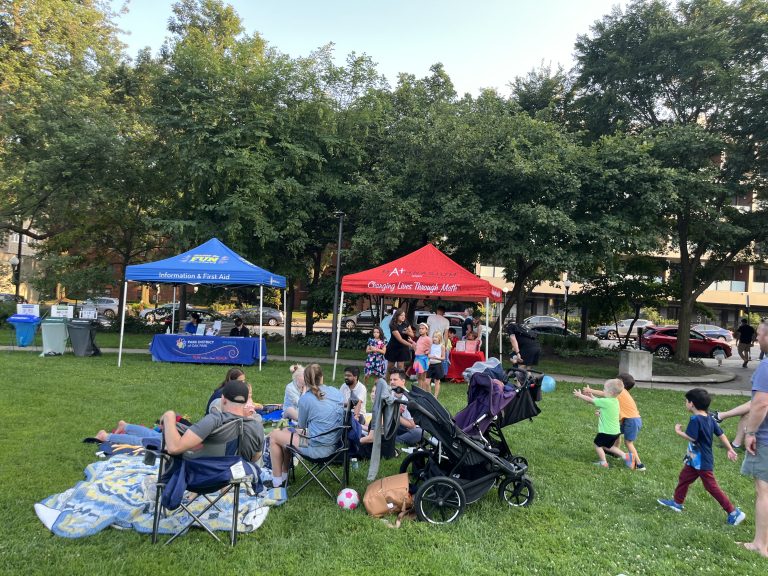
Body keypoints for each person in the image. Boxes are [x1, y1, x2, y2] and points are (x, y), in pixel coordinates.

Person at [657, 388, 745, 526]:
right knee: (684, 478)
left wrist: (678, 432)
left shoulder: (695, 419)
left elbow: (692, 437)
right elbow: (720, 434)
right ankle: (677, 503)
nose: (685, 404)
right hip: (695, 460)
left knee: (711, 487)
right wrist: (730, 449)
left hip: (701, 461)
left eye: (686, 401)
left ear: (691, 404)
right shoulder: (709, 417)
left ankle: (733, 512)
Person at [267, 364, 344, 488]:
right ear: (322, 377)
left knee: (275, 436)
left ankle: (277, 483)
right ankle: (284, 476)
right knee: (285, 432)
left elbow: (302, 426)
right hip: (337, 444)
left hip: (315, 448)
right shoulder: (336, 392)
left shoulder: (306, 399)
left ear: (306, 380)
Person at [160, 379, 265, 462]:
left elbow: (174, 448)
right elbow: (256, 457)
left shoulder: (214, 420)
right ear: (246, 401)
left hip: (202, 477)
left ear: (223, 400)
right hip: (234, 478)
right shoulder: (256, 426)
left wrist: (169, 416)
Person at [739, 320, 768, 557]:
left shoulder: (767, 366)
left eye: (759, 334)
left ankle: (761, 544)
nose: (757, 338)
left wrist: (750, 432)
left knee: (764, 490)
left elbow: (761, 403)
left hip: (766, 438)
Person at [583, 373, 645, 471]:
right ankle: (616, 452)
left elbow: (604, 394)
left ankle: (639, 464)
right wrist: (602, 412)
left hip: (631, 421)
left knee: (628, 442)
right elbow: (615, 408)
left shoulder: (621, 391)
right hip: (629, 419)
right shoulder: (618, 395)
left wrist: (590, 391)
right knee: (616, 433)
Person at [573, 378, 635, 468]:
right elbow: (599, 402)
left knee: (597, 444)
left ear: (610, 393)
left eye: (604, 389)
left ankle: (603, 462)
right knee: (607, 447)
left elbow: (591, 401)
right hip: (615, 432)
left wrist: (580, 395)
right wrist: (591, 395)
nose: (603, 390)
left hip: (607, 431)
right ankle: (626, 456)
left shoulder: (606, 402)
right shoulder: (615, 401)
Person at [389, 368, 423, 446]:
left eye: (395, 379)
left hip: (412, 428)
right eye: (390, 380)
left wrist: (395, 412)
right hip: (397, 426)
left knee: (418, 433)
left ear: (403, 381)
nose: (392, 382)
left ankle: (393, 441)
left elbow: (412, 425)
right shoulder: (390, 394)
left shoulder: (409, 399)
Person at [384, 308, 415, 377]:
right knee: (390, 367)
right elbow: (400, 339)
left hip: (403, 348)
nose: (403, 317)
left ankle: (399, 384)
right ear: (397, 316)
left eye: (404, 315)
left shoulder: (406, 323)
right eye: (401, 315)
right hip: (393, 347)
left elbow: (412, 335)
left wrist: (407, 332)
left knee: (400, 366)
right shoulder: (393, 325)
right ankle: (387, 383)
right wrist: (411, 345)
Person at [413, 322, 432, 392]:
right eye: (420, 328)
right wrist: (413, 343)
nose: (420, 330)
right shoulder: (420, 337)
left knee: (423, 377)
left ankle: (423, 392)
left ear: (426, 330)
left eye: (422, 328)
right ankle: (420, 390)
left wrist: (428, 352)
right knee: (418, 377)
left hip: (423, 359)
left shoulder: (428, 339)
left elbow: (431, 348)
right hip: (417, 358)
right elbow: (417, 348)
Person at [427, 331, 446, 399]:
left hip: (438, 365)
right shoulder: (431, 345)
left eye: (436, 337)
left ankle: (435, 396)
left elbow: (443, 357)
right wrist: (430, 356)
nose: (434, 338)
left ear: (439, 338)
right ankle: (429, 394)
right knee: (427, 381)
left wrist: (437, 357)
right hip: (430, 365)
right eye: (433, 337)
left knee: (437, 381)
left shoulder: (442, 346)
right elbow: (428, 354)